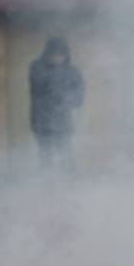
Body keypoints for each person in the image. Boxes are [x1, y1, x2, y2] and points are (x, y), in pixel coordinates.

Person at [29, 37, 84, 171]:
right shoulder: (37, 68)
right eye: (54, 54)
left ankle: (68, 185)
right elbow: (40, 86)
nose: (58, 58)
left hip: (63, 122)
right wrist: (59, 78)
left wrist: (68, 99)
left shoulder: (73, 72)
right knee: (46, 158)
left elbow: (79, 98)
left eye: (61, 55)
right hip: (42, 122)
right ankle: (47, 186)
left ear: (66, 55)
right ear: (47, 54)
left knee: (65, 156)